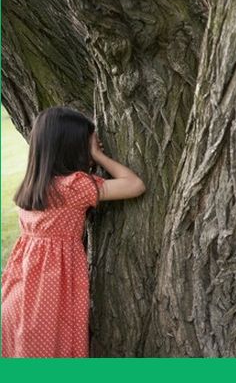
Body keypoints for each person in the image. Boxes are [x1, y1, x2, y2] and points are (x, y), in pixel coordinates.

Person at [1, 106, 146, 358]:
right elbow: (135, 185)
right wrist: (99, 156)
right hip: (49, 297)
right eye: (87, 145)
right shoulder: (73, 187)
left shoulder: (33, 187)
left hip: (20, 296)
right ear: (71, 147)